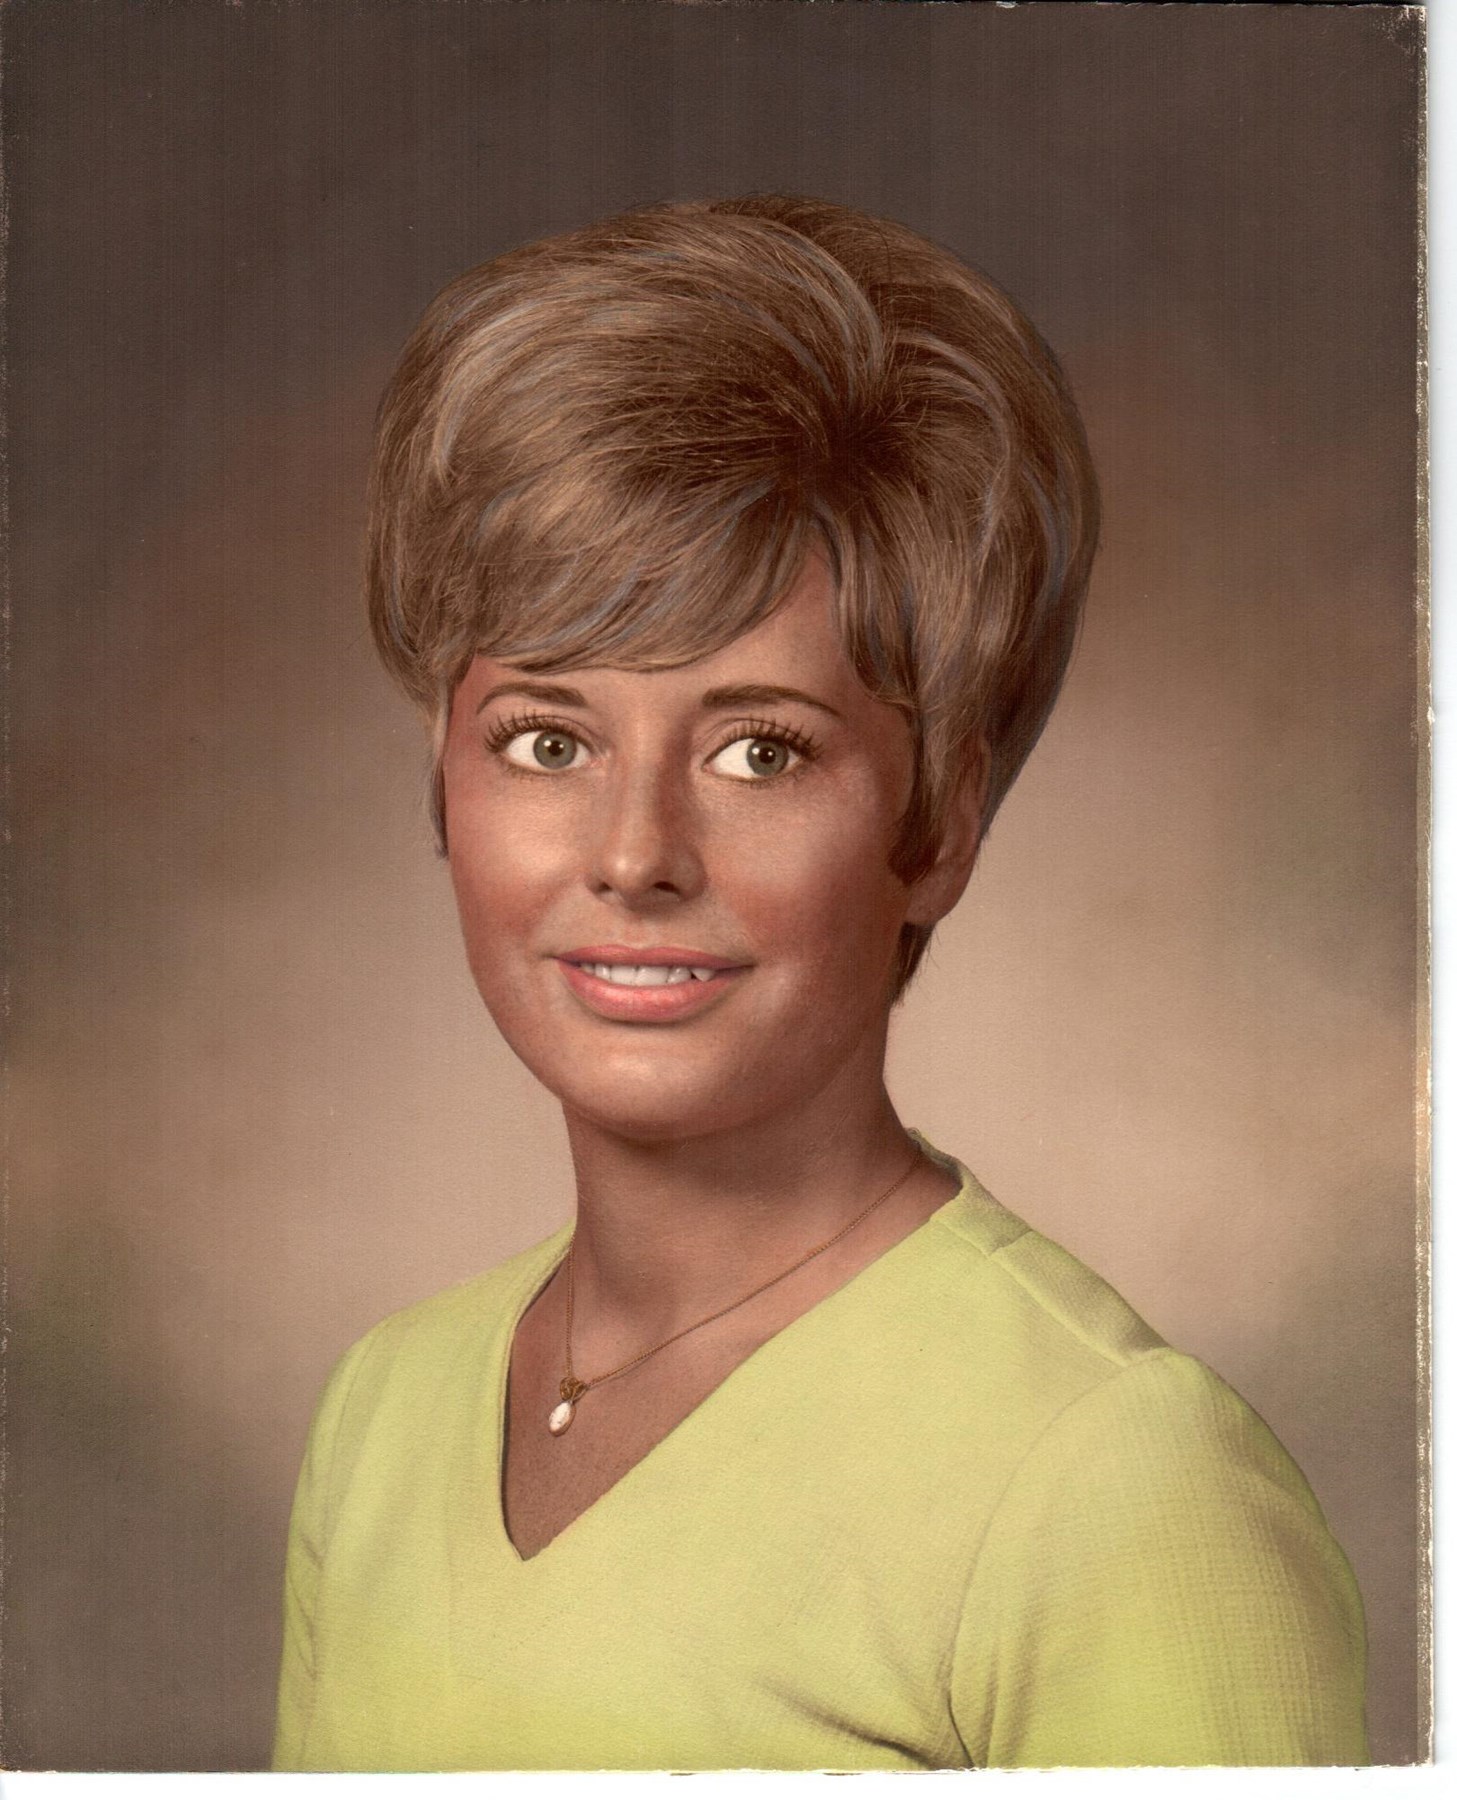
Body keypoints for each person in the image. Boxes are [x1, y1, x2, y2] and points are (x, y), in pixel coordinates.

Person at [271, 195, 1368, 1770]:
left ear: (939, 826)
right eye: (548, 740)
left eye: (760, 752)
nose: (634, 854)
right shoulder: (383, 1410)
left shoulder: (1121, 1485)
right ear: (443, 785)